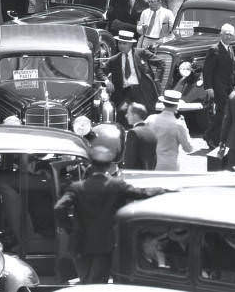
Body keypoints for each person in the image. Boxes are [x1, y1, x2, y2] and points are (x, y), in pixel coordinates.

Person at [54, 134, 165, 284]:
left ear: (91, 165)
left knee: (85, 280)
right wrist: (164, 190)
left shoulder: (76, 188)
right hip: (105, 243)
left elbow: (59, 208)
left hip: (80, 243)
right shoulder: (116, 185)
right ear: (108, 166)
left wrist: (70, 228)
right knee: (98, 282)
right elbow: (142, 194)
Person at [98, 30, 160, 115]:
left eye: (124, 43)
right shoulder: (114, 60)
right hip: (124, 95)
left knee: (145, 117)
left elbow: (161, 63)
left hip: (142, 92)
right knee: (123, 116)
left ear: (131, 44)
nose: (121, 46)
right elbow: (100, 70)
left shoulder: (141, 53)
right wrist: (107, 81)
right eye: (120, 43)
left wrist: (157, 79)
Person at [202, 23, 235, 148]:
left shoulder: (230, 49)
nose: (228, 37)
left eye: (230, 35)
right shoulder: (214, 49)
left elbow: (231, 70)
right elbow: (207, 70)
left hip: (228, 86)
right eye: (226, 34)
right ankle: (211, 136)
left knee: (224, 112)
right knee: (223, 112)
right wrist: (209, 87)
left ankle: (212, 135)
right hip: (217, 86)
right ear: (221, 35)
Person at [146, 91, 194, 171]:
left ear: (163, 103)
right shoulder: (178, 124)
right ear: (177, 105)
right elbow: (188, 148)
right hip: (170, 166)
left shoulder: (150, 119)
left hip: (151, 164)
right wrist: (185, 126)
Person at [122, 102, 157, 170]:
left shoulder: (133, 133)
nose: (126, 116)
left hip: (135, 176)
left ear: (135, 115)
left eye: (128, 113)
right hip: (149, 175)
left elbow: (129, 160)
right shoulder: (152, 133)